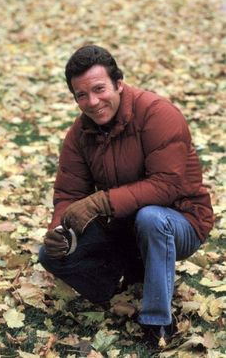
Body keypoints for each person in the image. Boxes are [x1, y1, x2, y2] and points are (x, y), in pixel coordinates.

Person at [39, 45, 213, 347]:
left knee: (151, 218)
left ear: (119, 83)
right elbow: (69, 193)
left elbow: (166, 185)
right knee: (50, 254)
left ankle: (158, 321)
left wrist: (100, 201)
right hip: (122, 225)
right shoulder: (79, 134)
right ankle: (121, 279)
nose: (92, 102)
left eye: (99, 89)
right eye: (82, 95)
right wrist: (59, 230)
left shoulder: (159, 114)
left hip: (181, 220)